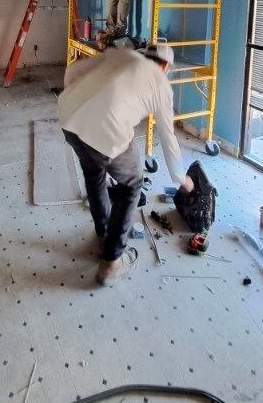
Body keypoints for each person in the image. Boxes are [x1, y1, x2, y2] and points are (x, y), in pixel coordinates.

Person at [58, 43, 194, 287]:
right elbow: (167, 135)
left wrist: (80, 99)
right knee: (132, 185)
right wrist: (180, 177)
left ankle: (103, 235)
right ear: (165, 66)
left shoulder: (122, 54)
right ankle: (112, 262)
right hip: (106, 131)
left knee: (94, 173)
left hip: (69, 119)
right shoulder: (161, 83)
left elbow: (74, 71)